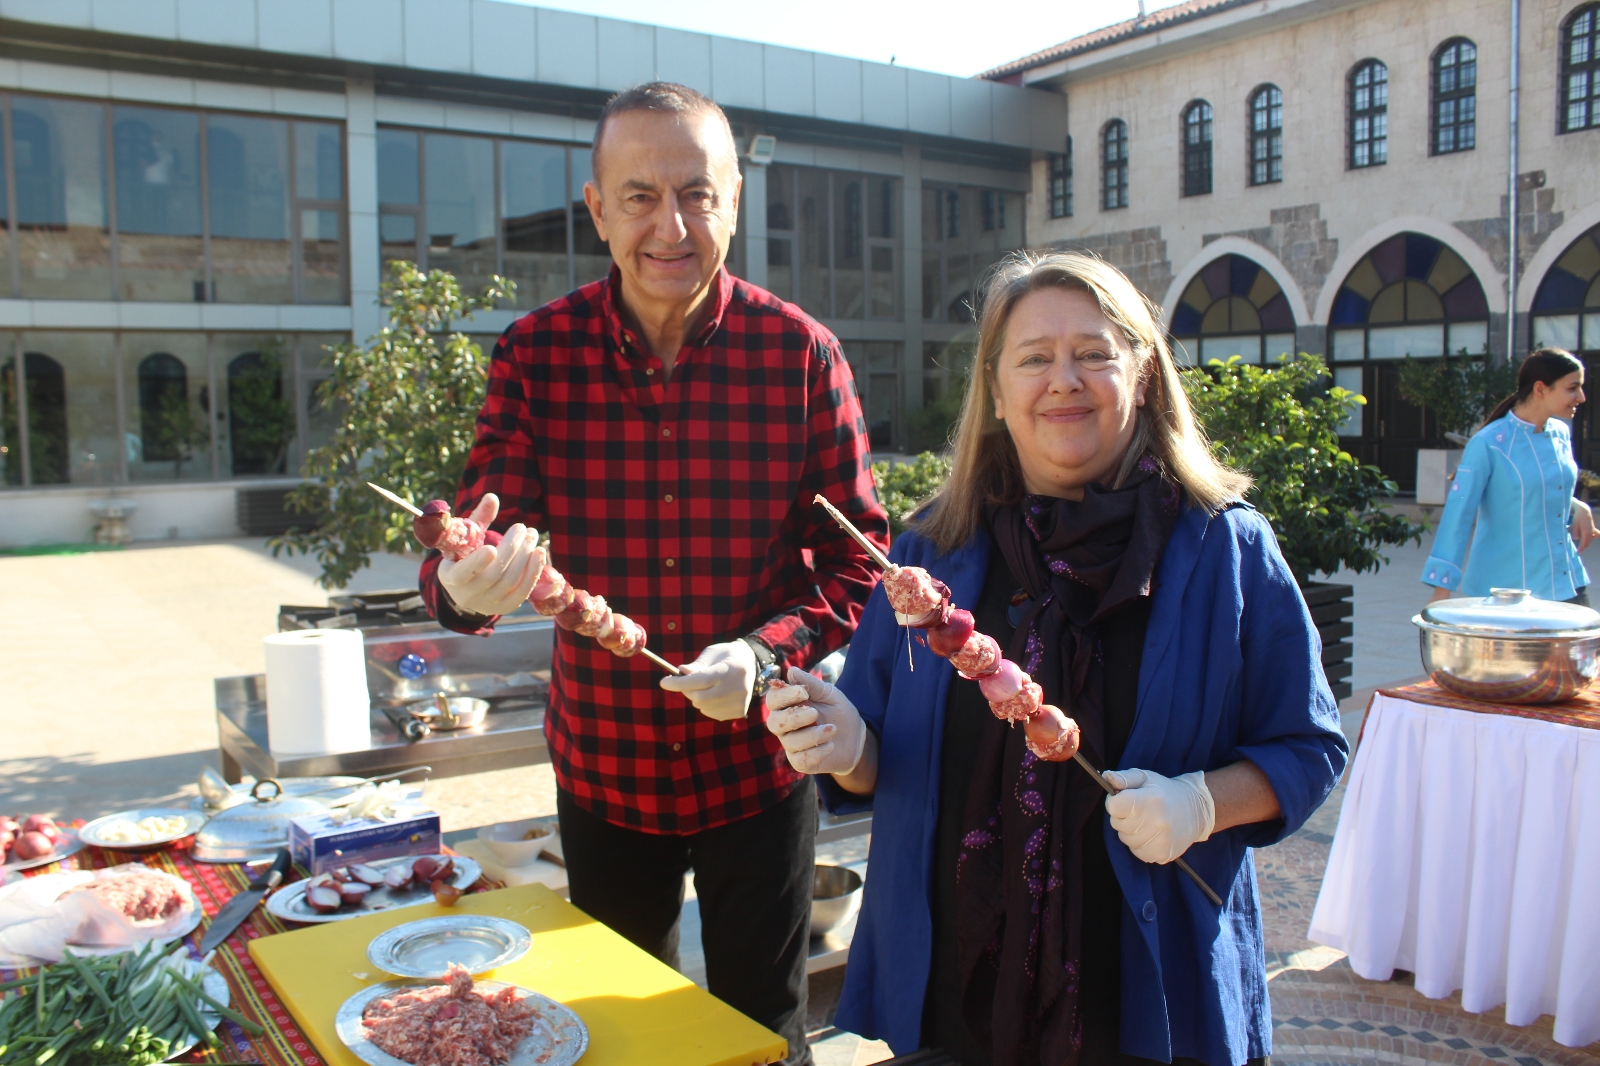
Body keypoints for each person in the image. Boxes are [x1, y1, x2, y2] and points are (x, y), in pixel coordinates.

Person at [764, 251, 1349, 1066]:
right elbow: (873, 755)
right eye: (1034, 358)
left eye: (1094, 354)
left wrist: (1204, 804)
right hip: (962, 986)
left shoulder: (1223, 546)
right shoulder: (933, 554)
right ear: (997, 392)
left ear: (1141, 375)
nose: (1063, 380)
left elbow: (1310, 746)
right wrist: (844, 742)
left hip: (1152, 997)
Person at [417, 82, 889, 1065]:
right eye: (638, 196)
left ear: (733, 202)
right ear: (596, 207)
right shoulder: (535, 356)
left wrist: (761, 657)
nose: (669, 226)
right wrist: (463, 582)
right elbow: (484, 525)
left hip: (757, 768)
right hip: (607, 765)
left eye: (696, 194)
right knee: (615, 1027)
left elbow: (856, 560)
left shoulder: (801, 356)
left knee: (762, 1030)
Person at [1421, 347, 1596, 605]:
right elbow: (1458, 515)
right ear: (1540, 389)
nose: (1581, 397)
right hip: (1507, 594)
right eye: (1572, 388)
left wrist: (1577, 506)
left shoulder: (1560, 433)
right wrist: (1441, 588)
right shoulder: (1488, 443)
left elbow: (1542, 488)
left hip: (1567, 584)